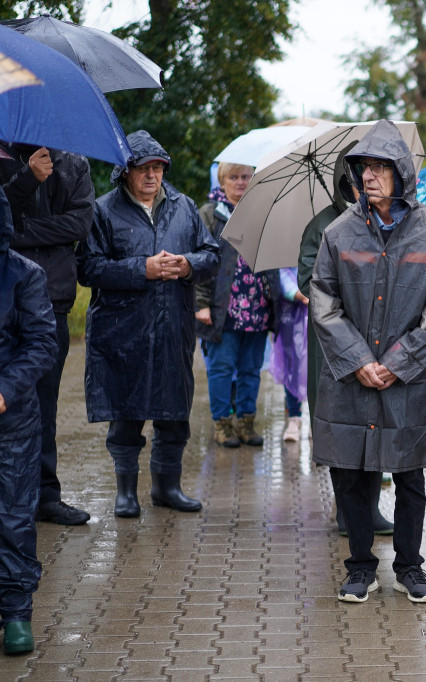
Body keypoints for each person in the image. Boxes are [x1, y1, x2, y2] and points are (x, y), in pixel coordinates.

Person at [310, 119, 426, 604]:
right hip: (350, 380)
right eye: (363, 168)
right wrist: (358, 362)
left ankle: (410, 568)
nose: (369, 177)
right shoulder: (337, 233)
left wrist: (396, 362)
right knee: (352, 473)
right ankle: (359, 567)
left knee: (409, 474)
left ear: (402, 174)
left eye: (379, 168)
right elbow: (323, 302)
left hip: (406, 380)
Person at [77, 130, 219, 518]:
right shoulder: (103, 210)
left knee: (174, 413)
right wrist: (143, 269)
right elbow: (88, 268)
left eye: (158, 168)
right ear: (125, 172)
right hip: (122, 331)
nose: (152, 176)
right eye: (144, 169)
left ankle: (166, 487)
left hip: (173, 325)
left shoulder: (185, 207)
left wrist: (189, 264)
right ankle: (126, 492)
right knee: (126, 414)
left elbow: (212, 254)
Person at [0, 142, 94, 526]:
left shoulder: (74, 162)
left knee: (44, 404)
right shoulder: (5, 159)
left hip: (51, 300)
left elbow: (80, 224)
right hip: (5, 300)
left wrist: (20, 231)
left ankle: (45, 496)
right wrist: (27, 180)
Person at [298, 170, 393, 538]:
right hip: (336, 343)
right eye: (359, 175)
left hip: (378, 339)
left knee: (374, 423)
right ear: (345, 180)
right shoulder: (323, 224)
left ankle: (371, 510)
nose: (368, 181)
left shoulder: (385, 219)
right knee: (342, 427)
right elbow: (308, 278)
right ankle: (347, 510)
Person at [0, 186, 58, 655]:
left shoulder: (24, 274)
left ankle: (17, 611)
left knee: (13, 514)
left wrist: (5, 390)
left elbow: (41, 343)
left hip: (11, 419)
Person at [195, 163, 275, 448]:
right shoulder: (210, 214)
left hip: (257, 306)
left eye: (245, 176)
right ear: (222, 180)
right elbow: (199, 262)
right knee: (221, 367)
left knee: (251, 368)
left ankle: (246, 423)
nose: (240, 182)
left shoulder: (262, 212)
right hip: (222, 308)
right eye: (233, 177)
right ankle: (222, 424)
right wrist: (200, 304)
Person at [271, 267, 308, 443]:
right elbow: (282, 276)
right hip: (290, 315)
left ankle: (317, 421)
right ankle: (294, 417)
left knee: (317, 367)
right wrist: (299, 294)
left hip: (317, 314)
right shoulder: (282, 248)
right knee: (291, 366)